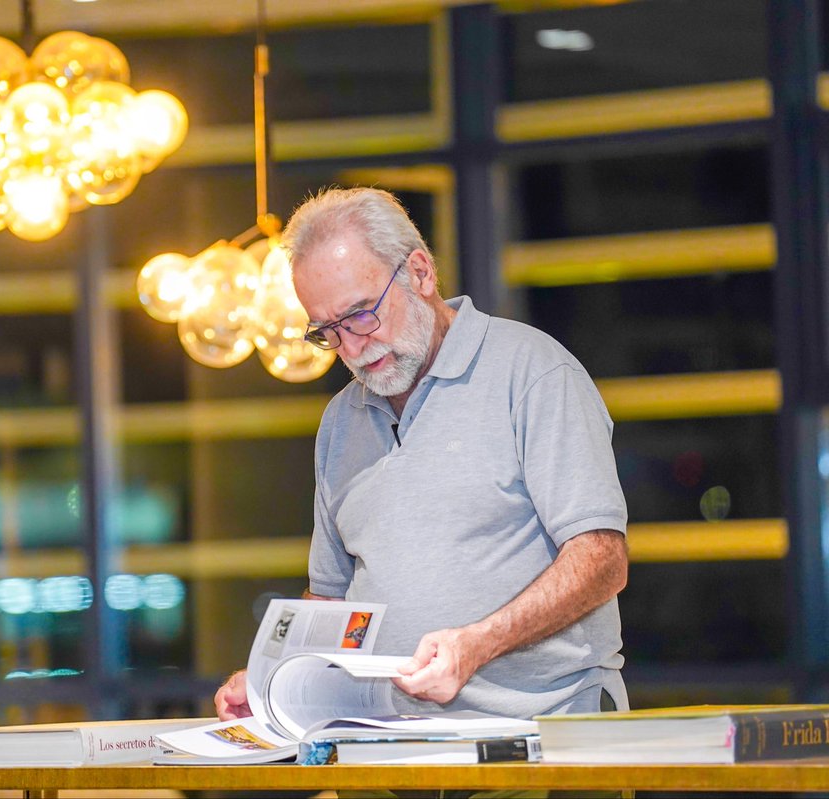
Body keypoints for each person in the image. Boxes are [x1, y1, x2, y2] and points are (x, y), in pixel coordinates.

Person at [215, 187, 629, 722]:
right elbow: (333, 601)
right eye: (329, 332)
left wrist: (479, 642)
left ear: (420, 273)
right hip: (380, 741)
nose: (353, 348)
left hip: (542, 734)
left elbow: (600, 560)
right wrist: (271, 681)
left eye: (361, 314)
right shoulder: (341, 421)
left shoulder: (534, 372)